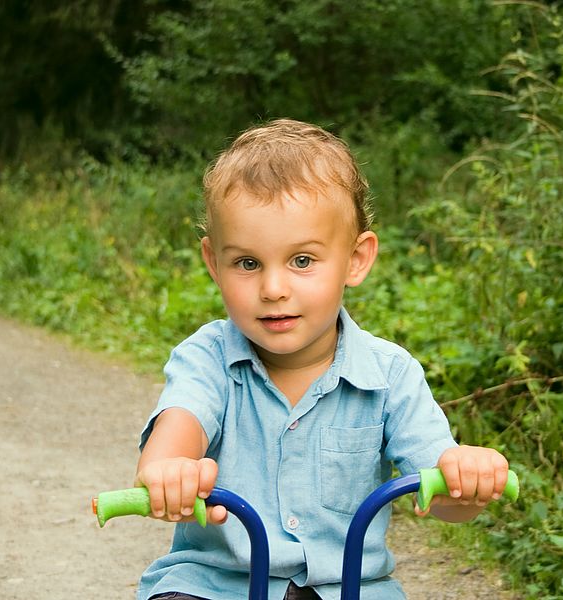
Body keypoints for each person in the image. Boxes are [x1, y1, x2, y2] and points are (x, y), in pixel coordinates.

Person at [134, 118, 510, 600]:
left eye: (302, 261)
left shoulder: (390, 375)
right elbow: (174, 437)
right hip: (216, 586)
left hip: (349, 588)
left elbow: (442, 496)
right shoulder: (206, 360)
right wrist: (172, 471)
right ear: (214, 262)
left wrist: (466, 479)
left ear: (356, 259)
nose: (273, 289)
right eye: (247, 263)